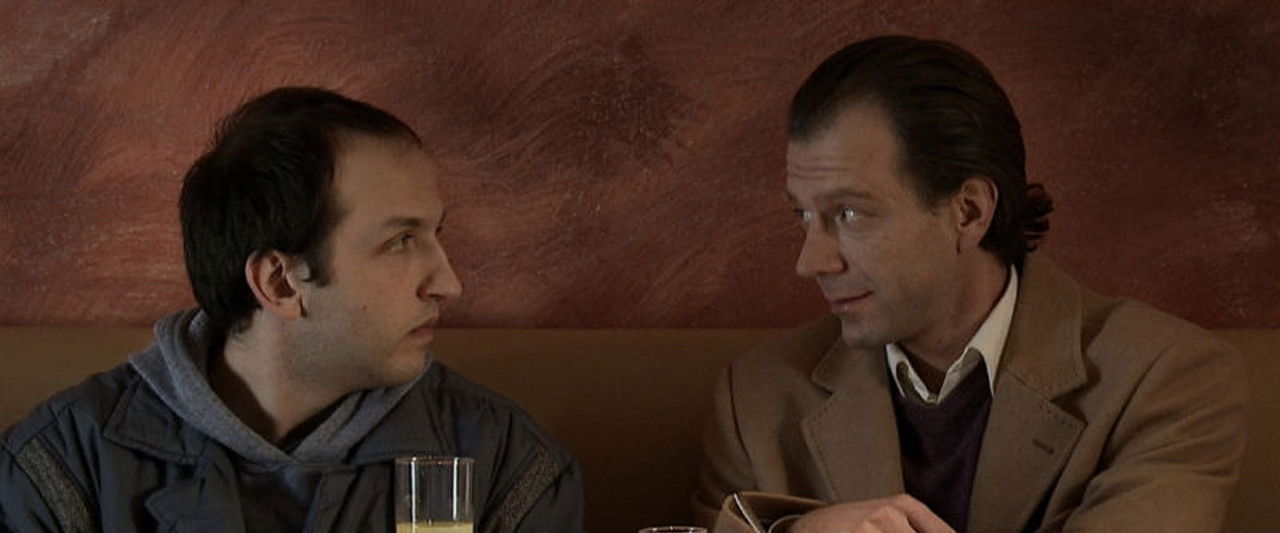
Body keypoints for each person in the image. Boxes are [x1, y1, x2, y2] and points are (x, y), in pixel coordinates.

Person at [694, 36, 1246, 533]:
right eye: (804, 216)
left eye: (850, 213)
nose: (809, 261)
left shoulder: (1165, 379)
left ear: (969, 212)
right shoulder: (756, 400)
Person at [0, 87, 583, 532]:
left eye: (435, 234)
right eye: (401, 240)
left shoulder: (505, 467)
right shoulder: (63, 470)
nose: (449, 283)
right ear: (279, 283)